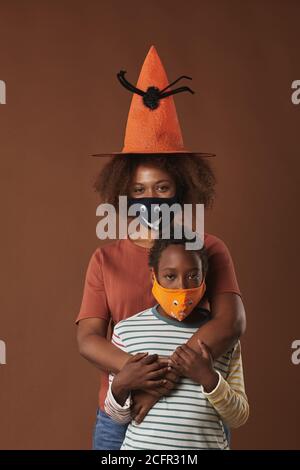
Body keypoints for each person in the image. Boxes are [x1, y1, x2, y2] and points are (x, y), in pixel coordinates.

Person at [76, 46, 246, 450]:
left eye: (162, 189)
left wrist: (161, 382)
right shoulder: (105, 259)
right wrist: (136, 376)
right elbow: (89, 338)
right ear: (123, 193)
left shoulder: (208, 248)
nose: (150, 199)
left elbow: (230, 324)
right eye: (139, 190)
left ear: (182, 189)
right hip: (120, 412)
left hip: (195, 416)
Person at [104, 232, 249, 450]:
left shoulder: (224, 339)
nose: (182, 286)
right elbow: (117, 416)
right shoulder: (127, 332)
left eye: (192, 276)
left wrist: (209, 379)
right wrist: (121, 384)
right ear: (154, 277)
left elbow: (239, 417)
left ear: (204, 276)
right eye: (170, 276)